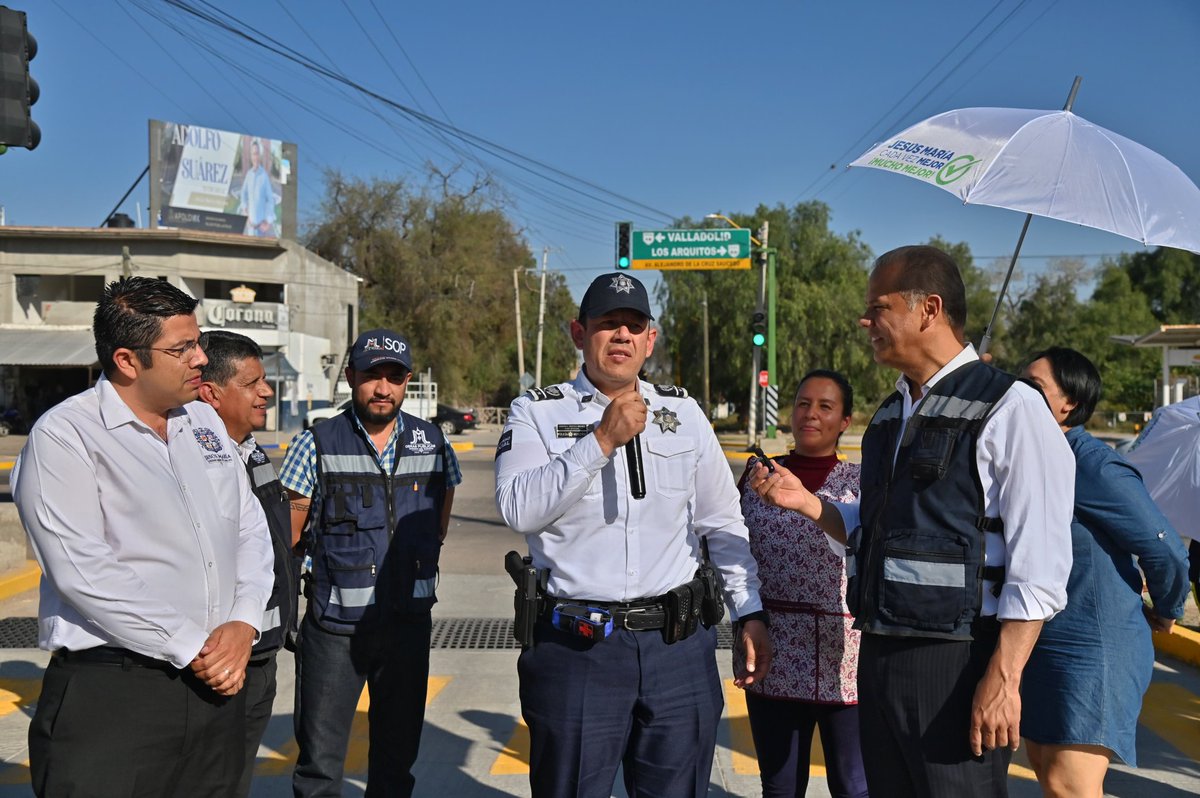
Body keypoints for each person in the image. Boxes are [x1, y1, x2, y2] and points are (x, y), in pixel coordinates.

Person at [749, 245, 1075, 798]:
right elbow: (876, 531)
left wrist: (1004, 677)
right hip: (879, 652)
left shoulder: (1012, 409)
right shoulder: (892, 413)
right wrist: (808, 503)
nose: (865, 320)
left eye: (878, 307)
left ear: (929, 309)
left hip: (957, 660)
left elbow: (1039, 562)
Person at [495, 271, 771, 798]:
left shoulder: (685, 413)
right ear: (579, 334)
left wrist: (749, 611)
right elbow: (518, 508)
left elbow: (722, 521)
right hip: (578, 650)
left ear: (650, 339)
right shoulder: (537, 411)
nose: (621, 335)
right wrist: (600, 439)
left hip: (677, 648)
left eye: (633, 325)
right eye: (607, 324)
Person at [12, 276, 274, 797]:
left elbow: (248, 527)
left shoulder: (203, 421)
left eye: (197, 341)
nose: (201, 358)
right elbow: (82, 570)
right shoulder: (66, 436)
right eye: (182, 348)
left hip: (216, 683)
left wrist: (244, 621)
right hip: (117, 693)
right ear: (128, 360)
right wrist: (193, 646)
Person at [280, 328, 462, 798]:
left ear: (407, 381)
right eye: (371, 376)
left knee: (396, 766)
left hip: (407, 627)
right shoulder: (316, 443)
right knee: (320, 768)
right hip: (335, 632)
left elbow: (439, 521)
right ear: (350, 377)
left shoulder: (433, 442)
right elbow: (289, 538)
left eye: (394, 377)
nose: (383, 388)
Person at [1019, 347, 1189, 798]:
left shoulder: (1093, 465)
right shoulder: (1034, 458)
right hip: (1043, 642)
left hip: (1092, 647)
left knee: (1069, 784)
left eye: (1035, 387)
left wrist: (1168, 607)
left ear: (1068, 403)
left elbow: (1165, 548)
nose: (1020, 393)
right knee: (1044, 769)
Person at [738, 369, 868, 798]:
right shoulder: (757, 477)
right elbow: (731, 552)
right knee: (779, 785)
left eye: (825, 406)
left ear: (845, 421)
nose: (810, 414)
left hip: (843, 655)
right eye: (803, 404)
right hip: (771, 645)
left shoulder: (860, 483)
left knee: (852, 785)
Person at [198, 330, 300, 797]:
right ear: (211, 392)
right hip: (219, 656)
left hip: (262, 651)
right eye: (252, 382)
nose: (267, 391)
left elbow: (273, 541)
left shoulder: (254, 451)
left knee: (236, 779)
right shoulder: (193, 457)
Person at [239, 138, 276, 237]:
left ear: (259, 155)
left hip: (261, 228)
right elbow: (243, 193)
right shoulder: (249, 174)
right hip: (250, 226)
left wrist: (268, 221)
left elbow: (270, 199)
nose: (255, 156)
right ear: (251, 156)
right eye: (253, 154)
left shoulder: (264, 175)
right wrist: (246, 213)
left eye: (256, 153)